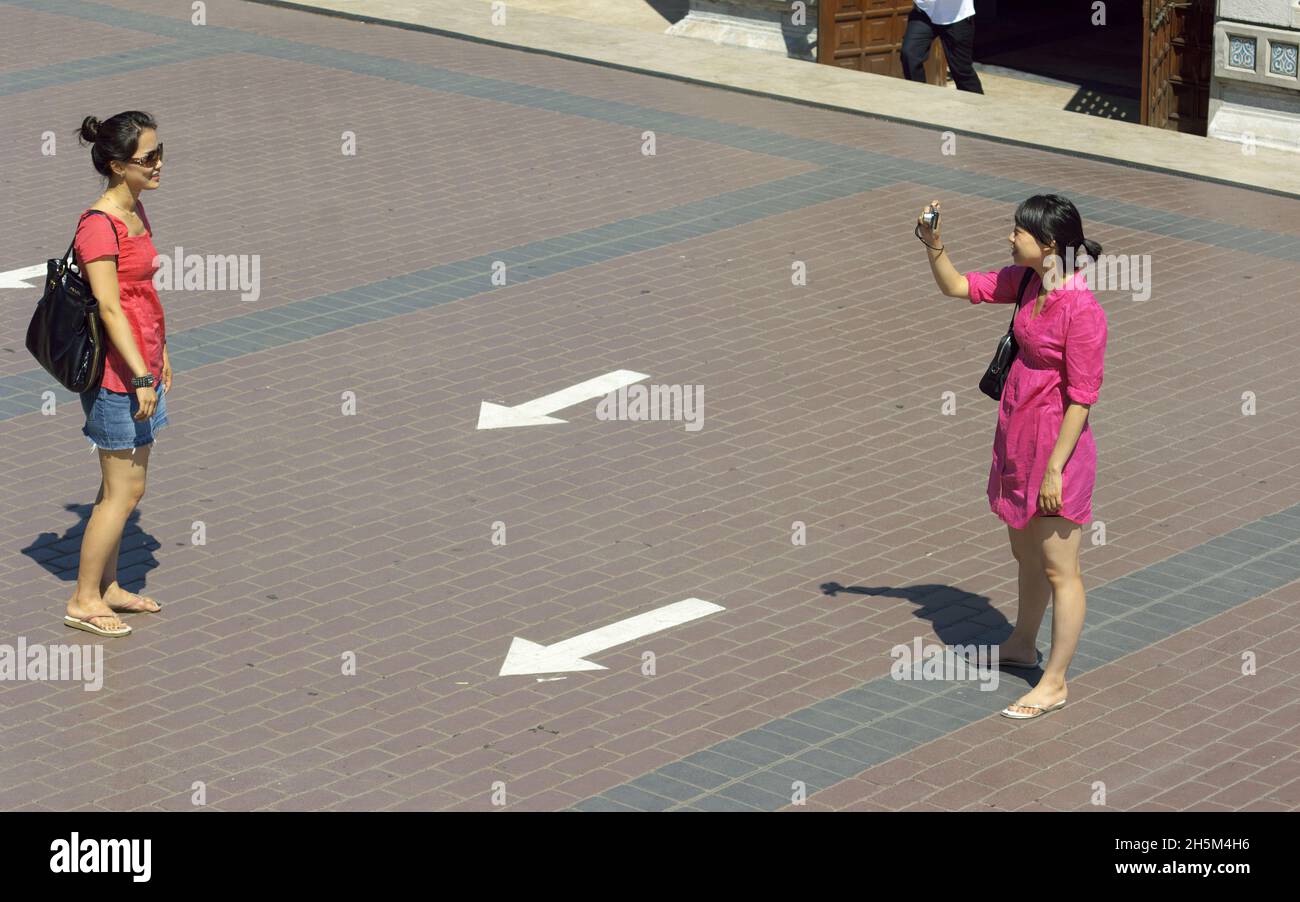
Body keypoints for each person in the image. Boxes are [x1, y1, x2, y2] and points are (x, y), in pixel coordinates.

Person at [919, 194, 1108, 719]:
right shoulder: (1027, 282)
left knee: (1059, 569)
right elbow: (958, 286)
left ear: (1049, 244)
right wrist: (933, 243)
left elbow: (1083, 397)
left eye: (1019, 231)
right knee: (1025, 554)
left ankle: (1055, 682)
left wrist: (1054, 468)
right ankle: (1022, 645)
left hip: (1057, 452)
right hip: (1016, 439)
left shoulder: (1083, 309)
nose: (1010, 236)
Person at [63, 111, 171, 638]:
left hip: (145, 365)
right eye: (147, 158)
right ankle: (84, 598)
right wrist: (141, 376)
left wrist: (162, 354)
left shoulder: (135, 209)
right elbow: (109, 308)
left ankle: (107, 587)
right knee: (117, 492)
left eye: (159, 153)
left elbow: (142, 295)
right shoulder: (98, 225)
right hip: (116, 376)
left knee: (133, 489)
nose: (158, 164)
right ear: (115, 165)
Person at [901, 0, 984, 93]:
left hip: (956, 17)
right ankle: (919, 98)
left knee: (961, 70)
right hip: (924, 12)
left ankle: (977, 105)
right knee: (909, 54)